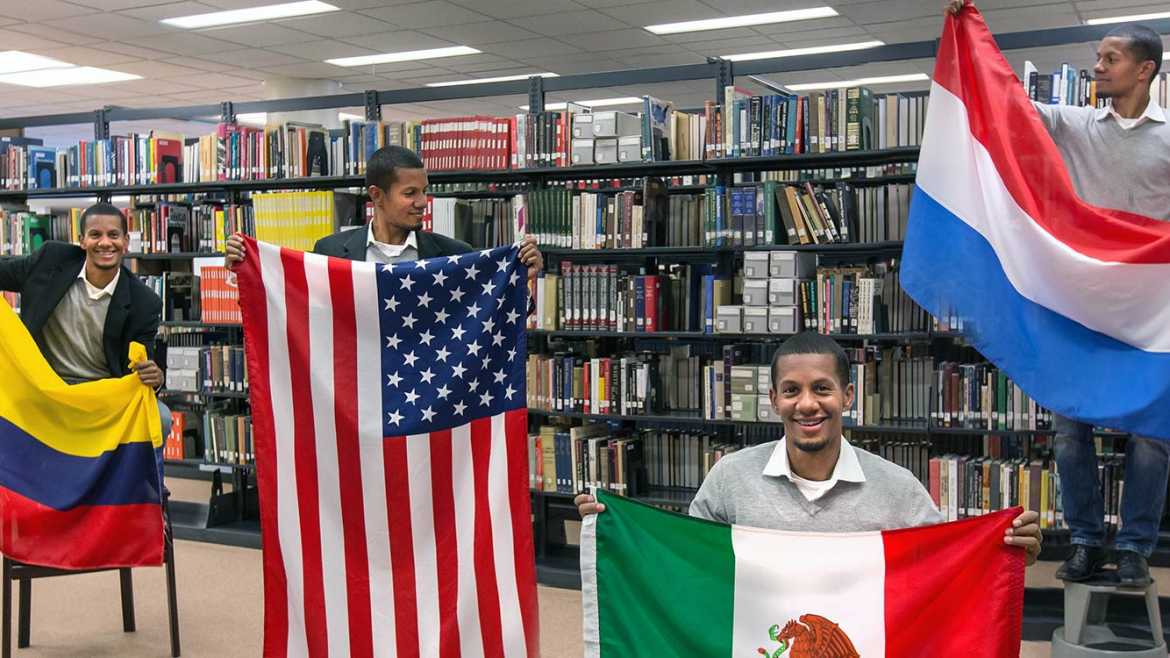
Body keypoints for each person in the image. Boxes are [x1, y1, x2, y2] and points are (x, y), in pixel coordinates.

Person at [947, 0, 1170, 586]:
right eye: (1097, 58)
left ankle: (1135, 550)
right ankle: (1087, 540)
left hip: (1148, 307)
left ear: (1144, 70)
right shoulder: (1075, 123)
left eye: (1110, 58)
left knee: (1152, 433)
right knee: (1070, 428)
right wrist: (969, 31)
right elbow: (1008, 104)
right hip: (1081, 298)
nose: (1097, 66)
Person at [576, 331, 1043, 565]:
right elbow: (688, 559)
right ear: (773, 400)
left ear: (848, 396)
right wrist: (617, 528)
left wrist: (1005, 553)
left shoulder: (898, 490)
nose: (807, 404)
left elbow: (946, 569)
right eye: (791, 390)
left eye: (822, 388)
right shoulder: (731, 477)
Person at [0, 202, 171, 482]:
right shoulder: (50, 260)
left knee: (161, 418)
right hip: (43, 388)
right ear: (81, 241)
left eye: (114, 235)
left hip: (101, 397)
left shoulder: (144, 302)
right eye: (95, 235)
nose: (105, 243)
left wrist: (155, 377)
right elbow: (4, 272)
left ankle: (139, 499)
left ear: (126, 242)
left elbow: (143, 369)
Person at [224, 145, 544, 273]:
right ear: (376, 195)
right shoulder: (330, 251)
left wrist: (521, 276)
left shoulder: (453, 255)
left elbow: (487, 317)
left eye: (424, 192)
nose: (422, 202)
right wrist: (245, 268)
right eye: (410, 193)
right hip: (356, 397)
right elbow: (296, 310)